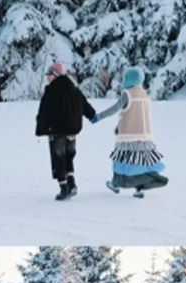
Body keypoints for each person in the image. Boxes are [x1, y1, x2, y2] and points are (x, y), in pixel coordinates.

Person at [92, 67, 168, 199]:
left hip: (128, 134)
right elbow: (133, 112)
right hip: (144, 134)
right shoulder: (144, 93)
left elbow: (115, 109)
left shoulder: (127, 93)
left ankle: (115, 184)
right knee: (141, 162)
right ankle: (140, 188)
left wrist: (99, 117)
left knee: (121, 160)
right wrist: (118, 125)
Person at [35, 63, 97, 201]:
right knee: (69, 157)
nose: (48, 78)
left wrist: (41, 126)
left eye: (50, 74)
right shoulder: (73, 89)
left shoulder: (52, 91)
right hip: (72, 131)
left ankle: (64, 189)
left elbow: (45, 111)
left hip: (56, 130)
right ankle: (72, 184)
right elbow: (84, 104)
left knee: (59, 159)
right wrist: (91, 115)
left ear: (56, 75)